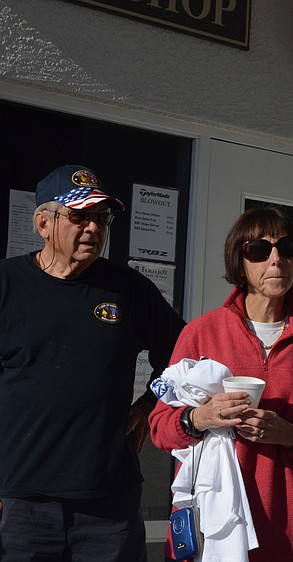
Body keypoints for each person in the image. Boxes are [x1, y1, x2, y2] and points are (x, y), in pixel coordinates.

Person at [149, 206, 293, 562]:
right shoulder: (201, 333)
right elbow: (160, 427)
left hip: (289, 529)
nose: (275, 259)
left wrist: (292, 435)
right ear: (240, 261)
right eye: (259, 250)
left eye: (286, 247)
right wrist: (199, 418)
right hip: (210, 527)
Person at [0, 164, 185, 561]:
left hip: (108, 502)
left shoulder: (128, 287)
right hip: (20, 498)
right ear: (43, 224)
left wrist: (152, 402)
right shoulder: (7, 284)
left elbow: (181, 353)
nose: (93, 227)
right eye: (79, 215)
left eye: (101, 217)